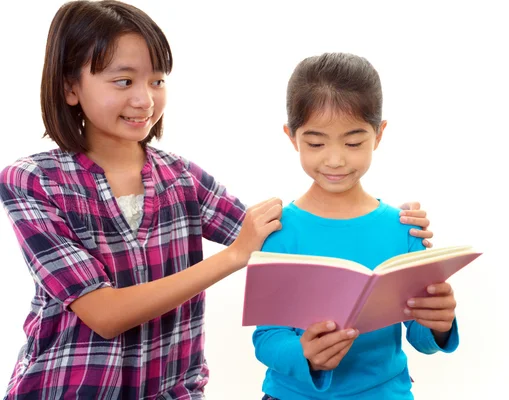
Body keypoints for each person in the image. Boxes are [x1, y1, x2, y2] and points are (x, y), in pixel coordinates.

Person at [0, 2, 434, 399]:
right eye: (124, 80)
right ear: (70, 86)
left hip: (173, 392)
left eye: (157, 80)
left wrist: (390, 229)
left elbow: (280, 238)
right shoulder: (32, 181)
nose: (145, 99)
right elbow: (104, 313)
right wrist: (233, 257)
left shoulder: (182, 178)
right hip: (64, 389)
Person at [253, 53, 458, 400]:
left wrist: (439, 324)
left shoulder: (404, 228)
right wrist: (304, 353)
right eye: (316, 143)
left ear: (378, 135)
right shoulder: (279, 231)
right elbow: (267, 337)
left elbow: (420, 338)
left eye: (353, 142)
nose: (335, 159)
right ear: (292, 138)